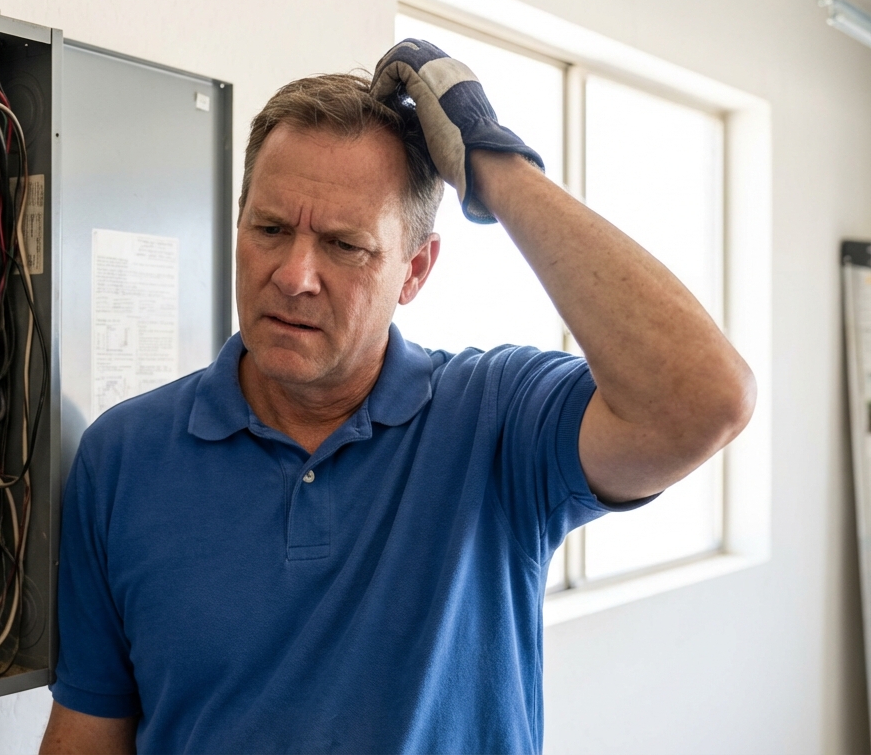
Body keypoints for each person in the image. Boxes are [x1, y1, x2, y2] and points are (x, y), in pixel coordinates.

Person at [39, 39, 755, 755]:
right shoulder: (125, 455)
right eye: (269, 229)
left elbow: (703, 398)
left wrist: (494, 166)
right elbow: (89, 733)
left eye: (345, 246)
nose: (294, 275)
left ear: (415, 271)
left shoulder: (495, 421)